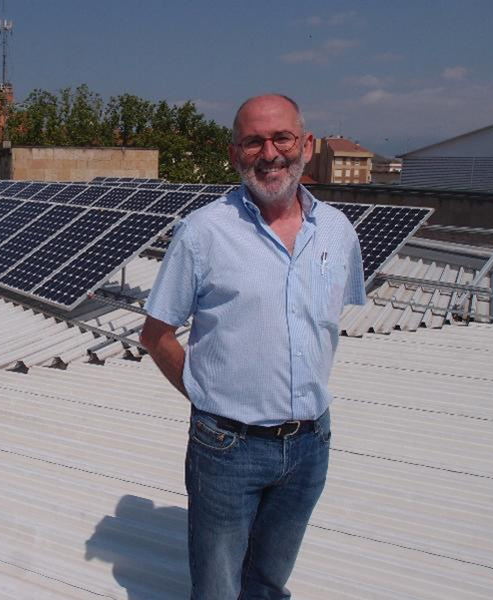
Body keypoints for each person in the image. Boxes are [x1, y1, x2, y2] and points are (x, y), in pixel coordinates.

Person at [139, 94, 366, 599]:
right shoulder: (203, 232)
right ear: (233, 153)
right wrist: (208, 400)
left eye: (281, 137)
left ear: (306, 144)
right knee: (218, 590)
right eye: (253, 141)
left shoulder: (337, 231)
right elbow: (155, 336)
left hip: (310, 446)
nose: (270, 153)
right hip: (226, 448)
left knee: (267, 583)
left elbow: (322, 327)